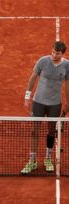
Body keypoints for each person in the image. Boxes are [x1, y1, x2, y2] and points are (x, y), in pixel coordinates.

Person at [21, 41, 69, 174]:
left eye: (57, 53)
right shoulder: (43, 61)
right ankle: (32, 160)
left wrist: (68, 103)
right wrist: (27, 96)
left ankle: (48, 158)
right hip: (38, 102)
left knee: (51, 131)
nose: (54, 55)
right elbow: (33, 77)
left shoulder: (66, 65)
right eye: (53, 52)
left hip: (54, 104)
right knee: (34, 130)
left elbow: (67, 85)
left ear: (62, 54)